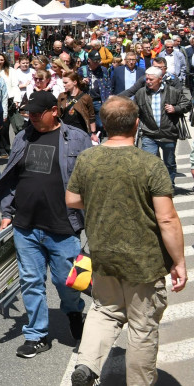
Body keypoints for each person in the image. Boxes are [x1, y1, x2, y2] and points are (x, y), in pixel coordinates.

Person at [67, 96, 187, 386]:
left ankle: (86, 365)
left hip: (103, 255)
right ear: (137, 123)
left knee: (105, 310)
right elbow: (167, 219)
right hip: (143, 261)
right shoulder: (149, 164)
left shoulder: (88, 158)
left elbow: (72, 199)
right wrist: (179, 262)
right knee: (142, 327)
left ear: (105, 125)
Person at [0, 90, 90, 359]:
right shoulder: (24, 136)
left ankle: (73, 311)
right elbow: (12, 177)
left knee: (67, 281)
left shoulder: (77, 138)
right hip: (26, 225)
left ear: (54, 111)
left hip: (63, 226)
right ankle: (37, 335)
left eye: (36, 113)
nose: (31, 117)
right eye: (28, 113)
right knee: (31, 281)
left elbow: (91, 182)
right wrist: (6, 211)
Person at [130, 67, 192, 187]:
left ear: (160, 79)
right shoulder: (141, 93)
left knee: (169, 163)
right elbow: (135, 111)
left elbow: (187, 104)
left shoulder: (172, 91)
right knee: (150, 162)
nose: (147, 81)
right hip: (149, 134)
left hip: (168, 133)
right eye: (146, 79)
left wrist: (176, 109)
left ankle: (169, 186)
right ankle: (155, 187)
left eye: (150, 79)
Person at [58, 72, 98, 142]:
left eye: (66, 83)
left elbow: (91, 116)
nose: (64, 85)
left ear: (74, 82)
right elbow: (58, 114)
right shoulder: (62, 96)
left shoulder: (86, 97)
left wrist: (93, 133)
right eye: (63, 83)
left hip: (81, 130)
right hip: (65, 130)